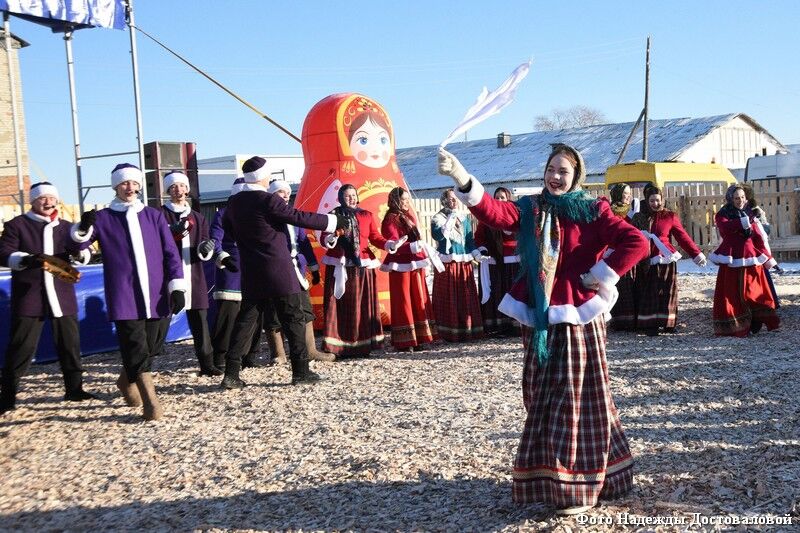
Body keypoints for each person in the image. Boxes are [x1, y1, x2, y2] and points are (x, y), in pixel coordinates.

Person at [438, 143, 648, 515]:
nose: (556, 176)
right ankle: (552, 475)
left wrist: (599, 275)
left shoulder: (591, 208)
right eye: (552, 169)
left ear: (576, 176)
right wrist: (461, 176)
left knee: (578, 394)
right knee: (541, 393)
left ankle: (578, 483)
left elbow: (636, 241)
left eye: (564, 171)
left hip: (578, 314)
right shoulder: (531, 208)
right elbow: (494, 213)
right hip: (539, 316)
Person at [71, 163, 186, 420]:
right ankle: (151, 402)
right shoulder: (103, 218)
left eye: (134, 183)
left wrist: (177, 285)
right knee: (135, 346)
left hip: (156, 293)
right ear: (115, 186)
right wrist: (82, 230)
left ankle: (125, 381)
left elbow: (170, 253)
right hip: (124, 295)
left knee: (153, 345)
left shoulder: (154, 216)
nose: (130, 188)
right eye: (124, 183)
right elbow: (83, 251)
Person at [219, 156, 345, 389]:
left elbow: (229, 231)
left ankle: (231, 373)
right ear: (263, 177)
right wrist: (331, 220)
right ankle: (301, 371)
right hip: (278, 270)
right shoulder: (266, 200)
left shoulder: (234, 203)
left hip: (251, 271)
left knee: (245, 321)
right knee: (293, 319)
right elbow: (297, 217)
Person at [0, 182, 96, 414]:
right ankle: (8, 395)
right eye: (41, 198)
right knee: (21, 346)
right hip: (29, 295)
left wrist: (81, 242)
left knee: (70, 344)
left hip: (62, 295)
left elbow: (84, 252)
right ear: (32, 201)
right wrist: (23, 259)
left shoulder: (66, 227)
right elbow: (3, 253)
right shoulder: (17, 225)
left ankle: (74, 388)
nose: (47, 201)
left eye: (51, 197)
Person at [320, 184, 400, 357]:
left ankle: (363, 343)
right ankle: (338, 345)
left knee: (362, 304)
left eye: (354, 195)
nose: (352, 198)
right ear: (341, 198)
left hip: (362, 264)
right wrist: (332, 236)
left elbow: (375, 237)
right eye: (348, 195)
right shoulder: (333, 215)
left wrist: (389, 244)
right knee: (340, 304)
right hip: (340, 265)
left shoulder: (366, 215)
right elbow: (323, 237)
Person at [208, 178, 274, 370]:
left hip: (255, 267)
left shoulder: (256, 212)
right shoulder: (222, 214)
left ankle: (249, 355)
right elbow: (216, 240)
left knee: (254, 315)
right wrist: (222, 256)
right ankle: (221, 357)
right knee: (229, 316)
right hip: (232, 269)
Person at [266, 179, 334, 362]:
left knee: (304, 307)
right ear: (272, 195)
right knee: (274, 310)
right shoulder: (267, 219)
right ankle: (278, 353)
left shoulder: (294, 218)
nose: (286, 195)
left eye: (287, 192)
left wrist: (313, 267)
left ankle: (310, 350)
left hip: (297, 270)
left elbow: (304, 243)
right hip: (276, 270)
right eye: (281, 192)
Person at [160, 171, 221, 376]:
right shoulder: (159, 215)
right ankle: (148, 358)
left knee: (200, 321)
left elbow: (203, 241)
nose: (178, 190)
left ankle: (207, 363)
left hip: (194, 273)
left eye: (182, 186)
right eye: (174, 187)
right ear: (168, 190)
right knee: (160, 319)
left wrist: (206, 248)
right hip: (167, 275)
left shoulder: (198, 217)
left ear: (187, 189)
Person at [630, 185, 706, 336]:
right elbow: (629, 235)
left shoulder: (669, 216)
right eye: (652, 201)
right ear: (647, 200)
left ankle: (668, 323)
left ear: (662, 200)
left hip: (666, 258)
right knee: (649, 290)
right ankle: (650, 324)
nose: (655, 204)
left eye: (658, 200)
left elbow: (682, 236)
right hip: (646, 259)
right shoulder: (639, 217)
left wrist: (696, 254)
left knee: (667, 290)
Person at [709, 184, 779, 336]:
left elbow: (759, 238)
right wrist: (744, 222)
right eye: (736, 198)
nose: (740, 200)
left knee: (754, 292)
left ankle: (755, 321)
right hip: (732, 258)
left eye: (742, 197)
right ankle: (737, 325)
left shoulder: (752, 213)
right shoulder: (723, 214)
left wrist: (768, 259)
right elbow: (725, 227)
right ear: (730, 199)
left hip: (751, 258)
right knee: (732, 294)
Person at [380, 187, 439, 352]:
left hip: (415, 263)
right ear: (395, 201)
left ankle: (419, 337)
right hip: (400, 265)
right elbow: (394, 243)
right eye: (403, 200)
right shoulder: (390, 219)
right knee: (404, 300)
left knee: (417, 298)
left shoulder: (408, 216)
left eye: (407, 199)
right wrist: (412, 246)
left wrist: (420, 248)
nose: (407, 202)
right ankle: (405, 340)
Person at [430, 188, 484, 342]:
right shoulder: (438, 219)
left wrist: (477, 254)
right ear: (444, 201)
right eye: (451, 199)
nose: (454, 202)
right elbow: (438, 235)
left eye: (456, 199)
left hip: (464, 263)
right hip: (448, 263)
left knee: (465, 297)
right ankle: (448, 331)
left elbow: (469, 240)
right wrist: (449, 221)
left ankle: (467, 330)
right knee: (449, 297)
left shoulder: (465, 218)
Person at [473, 187, 520, 337]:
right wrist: (483, 250)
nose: (500, 200)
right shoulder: (487, 217)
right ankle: (498, 326)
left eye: (503, 197)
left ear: (508, 198)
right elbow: (479, 237)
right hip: (496, 261)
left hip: (515, 260)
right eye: (497, 197)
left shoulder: (517, 215)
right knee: (499, 293)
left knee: (514, 292)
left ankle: (516, 325)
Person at [607, 183, 638, 330]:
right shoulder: (611, 211)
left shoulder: (631, 211)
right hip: (614, 253)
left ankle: (631, 319)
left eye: (629, 193)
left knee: (630, 285)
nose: (629, 196)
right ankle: (619, 320)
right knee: (618, 286)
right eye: (625, 193)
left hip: (629, 252)